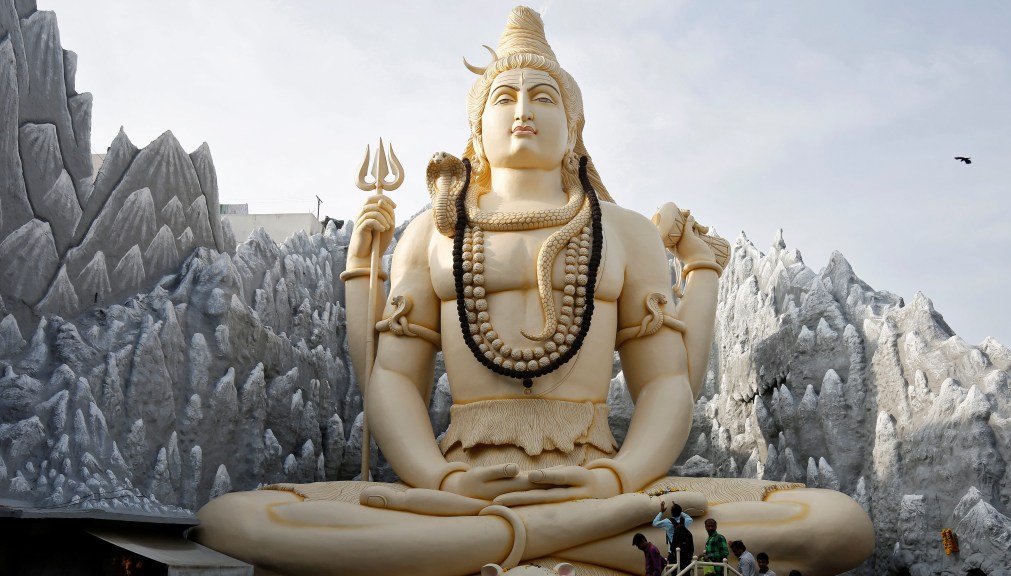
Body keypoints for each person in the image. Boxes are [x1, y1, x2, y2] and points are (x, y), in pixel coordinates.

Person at [193, 7, 875, 576]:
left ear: (574, 127)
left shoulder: (625, 232)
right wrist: (439, 480)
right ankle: (586, 548)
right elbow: (392, 381)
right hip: (462, 483)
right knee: (235, 518)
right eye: (505, 97)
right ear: (477, 130)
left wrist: (617, 480)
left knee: (837, 525)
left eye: (543, 97)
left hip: (600, 480)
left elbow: (668, 384)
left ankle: (488, 547)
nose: (523, 110)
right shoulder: (432, 235)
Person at [653, 500, 693, 567]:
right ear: (680, 512)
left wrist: (661, 512)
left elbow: (654, 523)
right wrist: (680, 511)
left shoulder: (667, 522)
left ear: (671, 512)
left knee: (674, 571)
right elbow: (690, 519)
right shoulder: (685, 521)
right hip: (684, 552)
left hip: (673, 552)